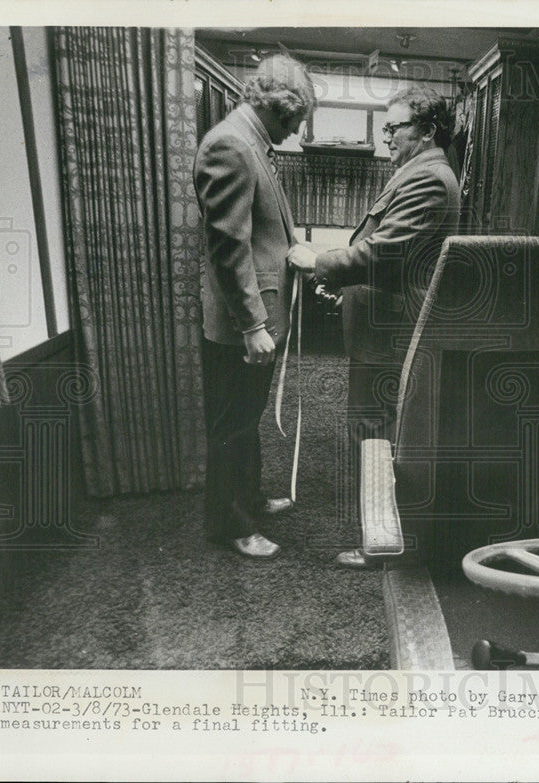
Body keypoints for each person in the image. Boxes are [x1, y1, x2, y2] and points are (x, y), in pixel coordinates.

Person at [289, 86, 461, 569]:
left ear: (426, 131)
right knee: (375, 434)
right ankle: (387, 538)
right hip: (381, 328)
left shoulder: (429, 178)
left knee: (377, 437)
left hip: (391, 334)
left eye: (394, 127)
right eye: (385, 127)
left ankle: (385, 546)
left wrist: (319, 261)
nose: (386, 136)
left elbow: (384, 251)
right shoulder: (416, 171)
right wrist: (341, 281)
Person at [194, 55, 315, 559]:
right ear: (279, 107)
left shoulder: (250, 142)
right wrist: (252, 324)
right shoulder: (232, 144)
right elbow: (229, 248)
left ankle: (245, 497)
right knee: (233, 424)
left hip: (257, 316)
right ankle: (230, 523)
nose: (297, 131)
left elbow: (260, 233)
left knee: (246, 417)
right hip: (244, 324)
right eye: (297, 120)